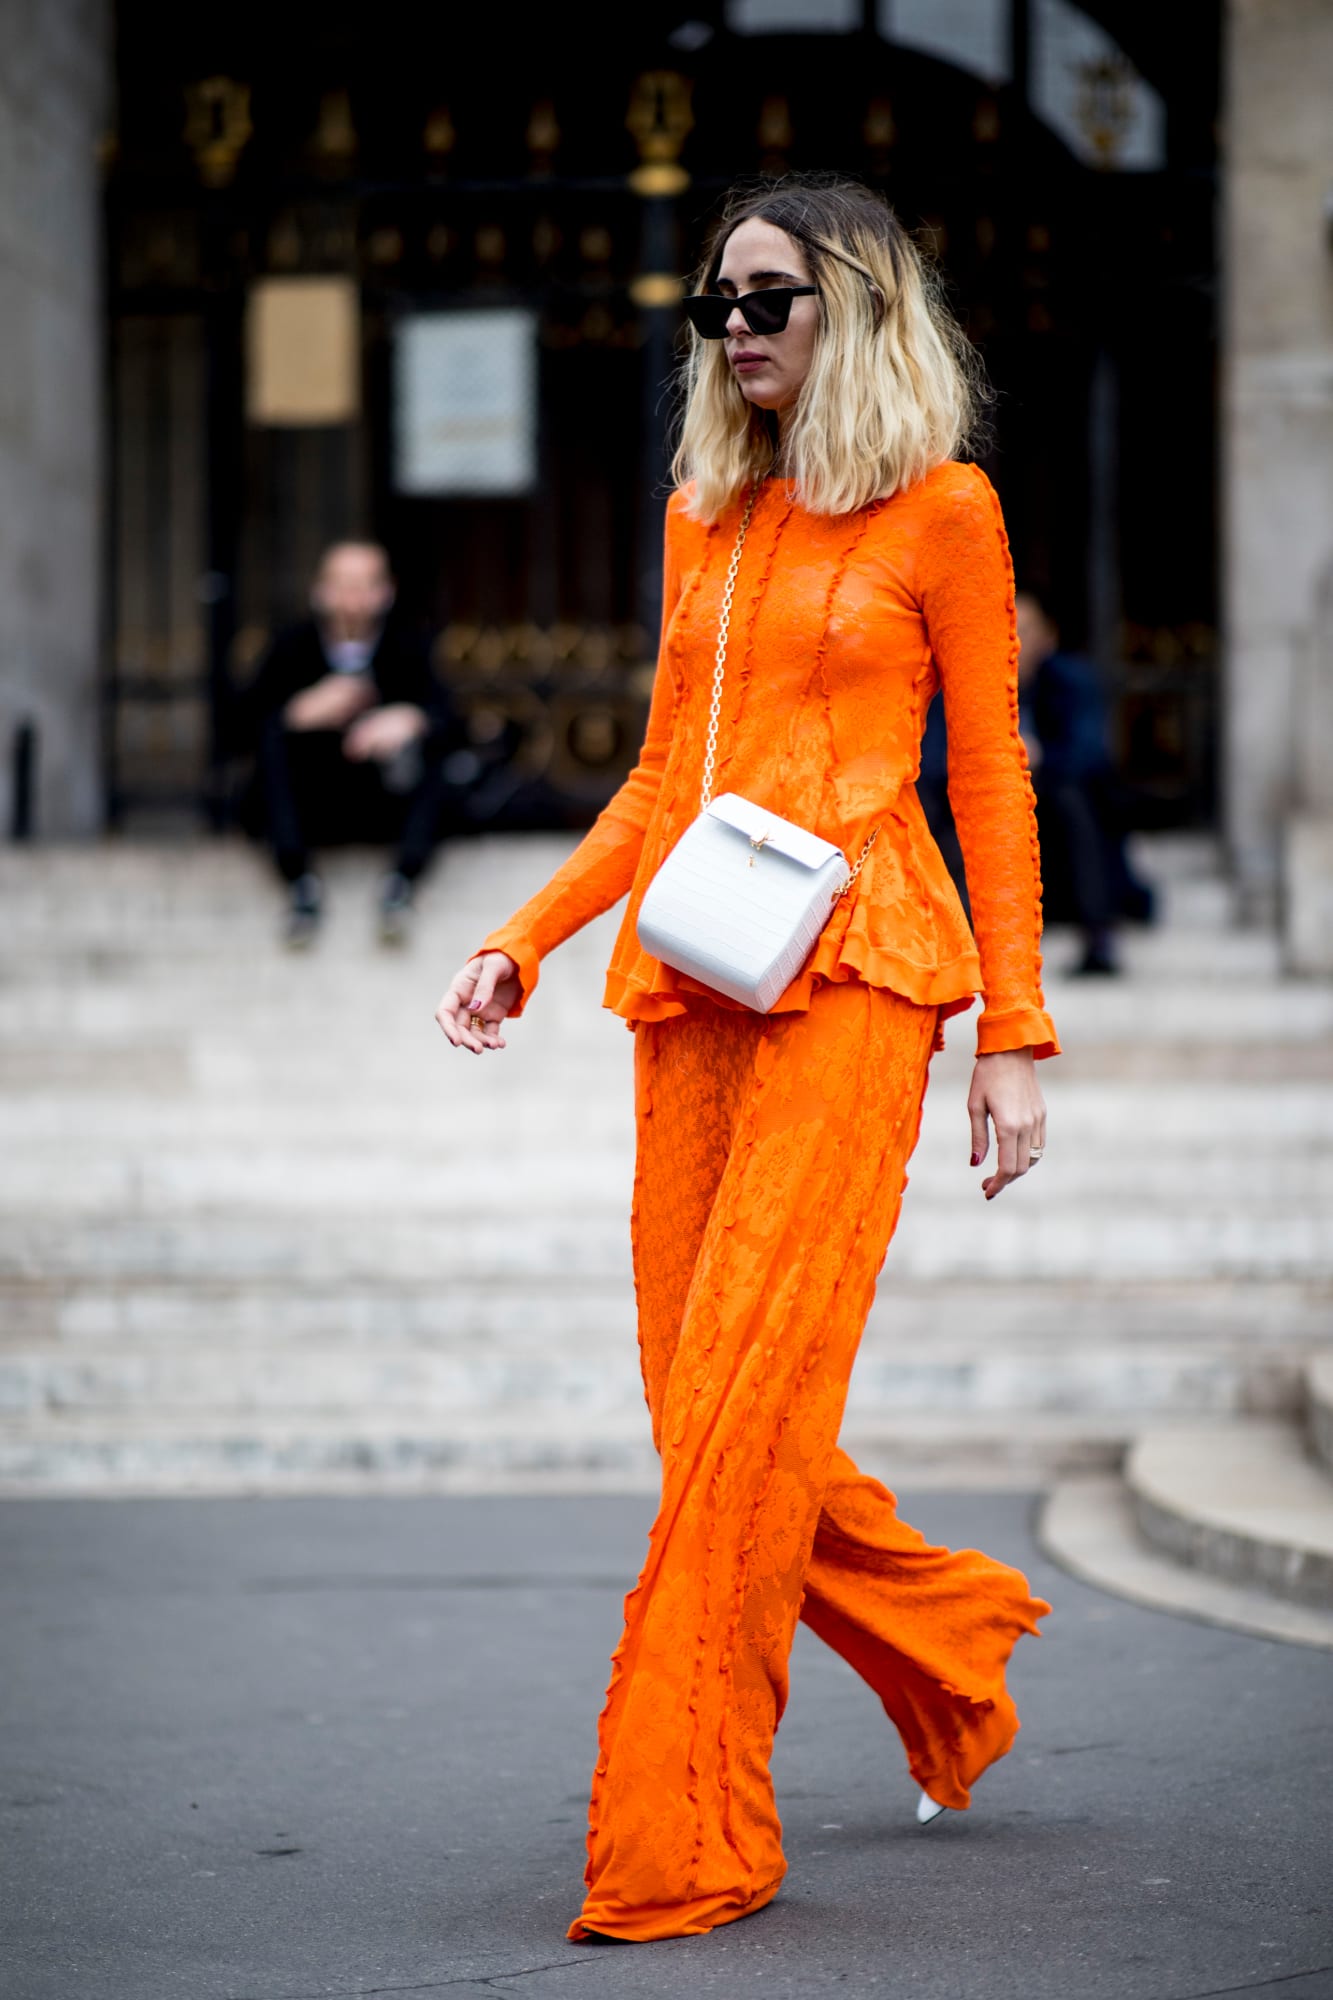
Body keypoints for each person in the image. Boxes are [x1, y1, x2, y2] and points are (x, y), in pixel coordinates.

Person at [436, 174, 1058, 1945]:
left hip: (860, 974)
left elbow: (991, 782)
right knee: (693, 1400)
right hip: (697, 979)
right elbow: (653, 780)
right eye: (715, 304)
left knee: (743, 1407)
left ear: (854, 304)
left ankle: (686, 1825)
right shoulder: (698, 515)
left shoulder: (945, 510)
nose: (737, 329)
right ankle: (945, 1642)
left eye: (768, 298)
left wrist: (1011, 1035)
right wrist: (522, 940)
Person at [243, 541, 455, 946]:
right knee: (274, 743)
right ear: (320, 591)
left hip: (383, 799)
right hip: (312, 803)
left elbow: (452, 719)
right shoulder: (291, 646)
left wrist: (408, 719)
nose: (353, 599)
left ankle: (401, 884)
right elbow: (239, 726)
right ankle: (300, 884)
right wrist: (299, 712)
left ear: (385, 592)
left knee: (434, 758)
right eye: (342, 585)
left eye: (364, 585)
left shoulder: (409, 644)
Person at [1015, 590, 1153, 975]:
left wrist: (1039, 758)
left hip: (1060, 805)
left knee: (1076, 798)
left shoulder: (1071, 681)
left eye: (1024, 629)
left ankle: (1099, 940)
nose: (1014, 639)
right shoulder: (974, 683)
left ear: (1049, 637)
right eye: (1007, 627)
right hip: (1005, 808)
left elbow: (1092, 753)